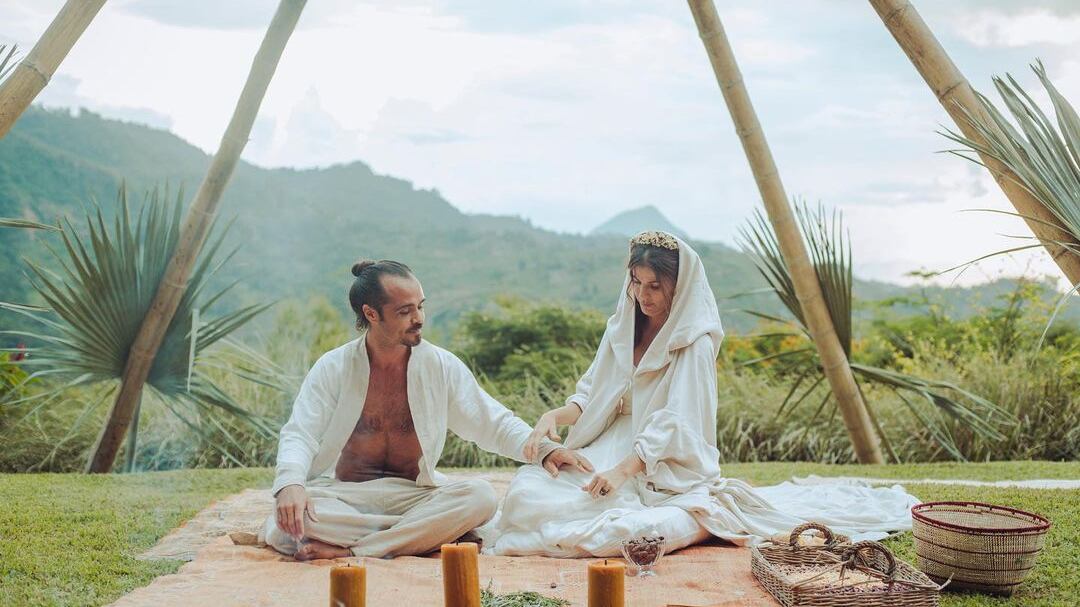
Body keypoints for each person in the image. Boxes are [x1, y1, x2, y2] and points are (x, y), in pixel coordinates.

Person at [483, 231, 919, 557]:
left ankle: (677, 516)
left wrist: (622, 472)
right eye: (636, 282)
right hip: (608, 439)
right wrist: (555, 417)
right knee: (527, 493)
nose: (643, 295)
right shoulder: (622, 325)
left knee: (610, 522)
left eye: (654, 285)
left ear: (679, 284)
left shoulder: (694, 339)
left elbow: (678, 417)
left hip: (660, 456)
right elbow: (593, 391)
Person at [258, 259, 575, 560]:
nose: (419, 318)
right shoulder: (333, 367)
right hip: (345, 497)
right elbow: (301, 433)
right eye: (405, 311)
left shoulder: (440, 365)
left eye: (421, 306)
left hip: (415, 496)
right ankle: (423, 537)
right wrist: (291, 485)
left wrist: (544, 449)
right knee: (294, 519)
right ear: (371, 314)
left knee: (481, 498)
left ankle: (356, 550)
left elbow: (492, 422)